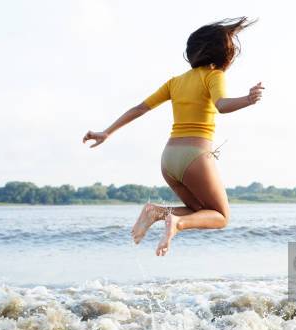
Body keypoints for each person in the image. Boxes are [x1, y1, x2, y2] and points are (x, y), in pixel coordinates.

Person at [82, 18, 263, 256]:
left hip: (169, 160)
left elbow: (140, 108)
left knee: (199, 210)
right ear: (223, 54)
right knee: (220, 217)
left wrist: (107, 132)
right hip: (195, 157)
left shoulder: (175, 82)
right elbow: (222, 105)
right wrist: (247, 100)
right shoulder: (213, 75)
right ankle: (176, 223)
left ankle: (156, 212)